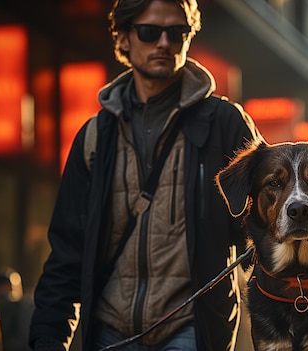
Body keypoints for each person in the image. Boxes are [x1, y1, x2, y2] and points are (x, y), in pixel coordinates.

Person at [28, 0, 261, 350]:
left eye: (177, 33)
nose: (164, 43)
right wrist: (48, 338)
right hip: (109, 329)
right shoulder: (95, 137)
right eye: (150, 32)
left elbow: (264, 229)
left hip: (191, 328)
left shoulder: (225, 124)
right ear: (122, 39)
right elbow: (67, 251)